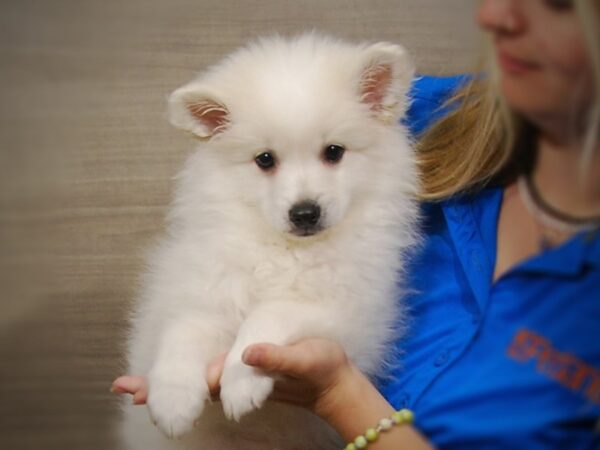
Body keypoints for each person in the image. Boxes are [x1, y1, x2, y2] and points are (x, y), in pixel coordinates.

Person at [112, 0, 600, 448]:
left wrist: (324, 384)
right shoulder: (447, 113)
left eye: (332, 153)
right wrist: (178, 360)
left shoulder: (372, 219)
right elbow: (195, 309)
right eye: (266, 160)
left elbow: (345, 318)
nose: (303, 199)